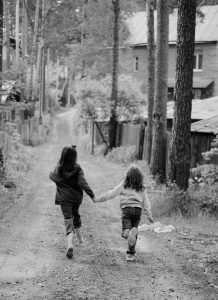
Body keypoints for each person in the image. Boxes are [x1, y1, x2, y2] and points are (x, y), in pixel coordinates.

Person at [94, 164, 154, 261]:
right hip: (138, 211)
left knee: (127, 231)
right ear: (140, 177)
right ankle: (130, 254)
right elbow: (146, 202)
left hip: (127, 210)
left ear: (128, 176)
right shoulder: (141, 188)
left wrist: (98, 199)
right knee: (134, 234)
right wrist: (149, 214)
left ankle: (127, 232)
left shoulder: (124, 185)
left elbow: (112, 193)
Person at [49, 145, 95, 259]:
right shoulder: (77, 168)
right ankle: (80, 239)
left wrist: (60, 181)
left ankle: (70, 244)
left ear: (62, 156)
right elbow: (83, 182)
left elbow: (51, 175)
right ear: (74, 156)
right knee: (76, 214)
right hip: (76, 199)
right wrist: (92, 195)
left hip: (64, 199)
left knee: (68, 220)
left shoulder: (59, 169)